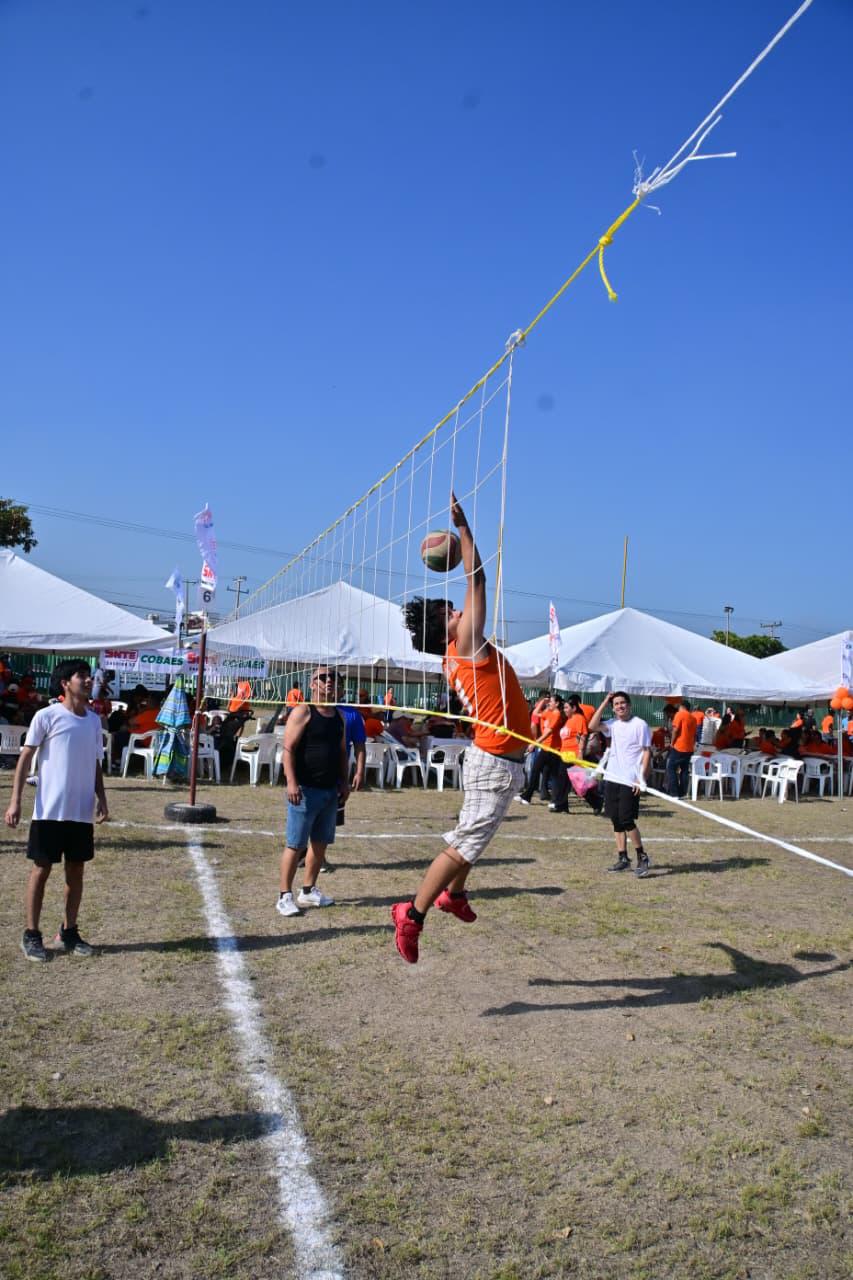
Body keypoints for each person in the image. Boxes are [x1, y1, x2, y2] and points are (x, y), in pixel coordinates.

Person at [393, 492, 530, 963]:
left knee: (476, 836)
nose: (458, 610)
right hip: (493, 762)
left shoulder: (457, 652)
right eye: (449, 612)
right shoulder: (465, 644)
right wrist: (465, 528)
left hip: (496, 760)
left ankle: (455, 895)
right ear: (446, 629)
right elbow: (479, 578)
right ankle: (411, 914)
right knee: (464, 842)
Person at [4, 660, 108, 962]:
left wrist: (102, 797)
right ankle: (31, 934)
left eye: (89, 676)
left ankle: (69, 931)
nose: (88, 681)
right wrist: (15, 800)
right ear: (65, 683)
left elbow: (95, 763)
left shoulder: (92, 721)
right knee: (41, 870)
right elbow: (25, 759)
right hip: (49, 811)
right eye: (82, 676)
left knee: (76, 871)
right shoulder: (46, 716)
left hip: (80, 812)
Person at [276, 667, 349, 918]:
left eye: (333, 678)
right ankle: (284, 896)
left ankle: (308, 890)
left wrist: (345, 781)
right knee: (295, 844)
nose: (329, 681)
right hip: (305, 790)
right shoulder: (303, 712)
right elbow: (288, 749)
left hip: (330, 790)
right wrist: (291, 782)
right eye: (323, 678)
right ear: (312, 684)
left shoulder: (339, 716)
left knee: (320, 845)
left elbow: (342, 752)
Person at [587, 692, 652, 877]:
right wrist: (604, 702)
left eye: (623, 703)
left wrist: (641, 778)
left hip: (629, 779)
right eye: (616, 704)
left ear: (629, 705)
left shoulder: (640, 724)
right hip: (612, 777)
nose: (620, 706)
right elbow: (591, 726)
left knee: (626, 819)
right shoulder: (612, 724)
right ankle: (623, 858)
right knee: (615, 820)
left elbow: (646, 752)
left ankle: (642, 856)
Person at [549, 695, 603, 814]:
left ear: (574, 708)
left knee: (579, 783)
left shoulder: (579, 718)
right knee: (562, 781)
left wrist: (580, 754)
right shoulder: (569, 720)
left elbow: (582, 736)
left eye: (567, 707)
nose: (564, 710)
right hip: (565, 755)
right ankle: (561, 805)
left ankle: (597, 801)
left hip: (574, 755)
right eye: (564, 708)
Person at [517, 695, 565, 805]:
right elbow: (535, 713)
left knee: (551, 775)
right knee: (540, 771)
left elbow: (548, 732)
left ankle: (555, 800)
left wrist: (535, 743)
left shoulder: (556, 714)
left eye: (551, 702)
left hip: (552, 749)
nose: (549, 704)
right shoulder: (548, 712)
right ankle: (528, 796)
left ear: (557, 703)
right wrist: (543, 701)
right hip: (545, 747)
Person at [666, 698, 697, 798]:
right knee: (684, 770)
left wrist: (672, 742)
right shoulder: (693, 718)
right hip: (689, 747)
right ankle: (682, 792)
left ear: (682, 706)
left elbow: (675, 730)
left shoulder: (679, 714)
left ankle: (674, 793)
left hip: (679, 746)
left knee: (671, 768)